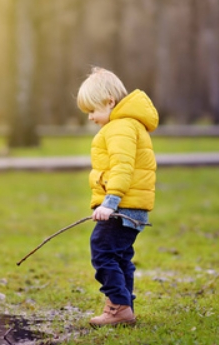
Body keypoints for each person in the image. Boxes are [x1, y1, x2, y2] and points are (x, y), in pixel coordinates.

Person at [76, 67, 159, 327]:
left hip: (121, 206)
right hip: (132, 206)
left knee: (102, 251)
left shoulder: (120, 127)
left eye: (93, 110)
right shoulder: (128, 124)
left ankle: (118, 306)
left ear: (110, 101)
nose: (90, 117)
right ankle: (124, 308)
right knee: (121, 257)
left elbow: (123, 168)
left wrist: (109, 203)